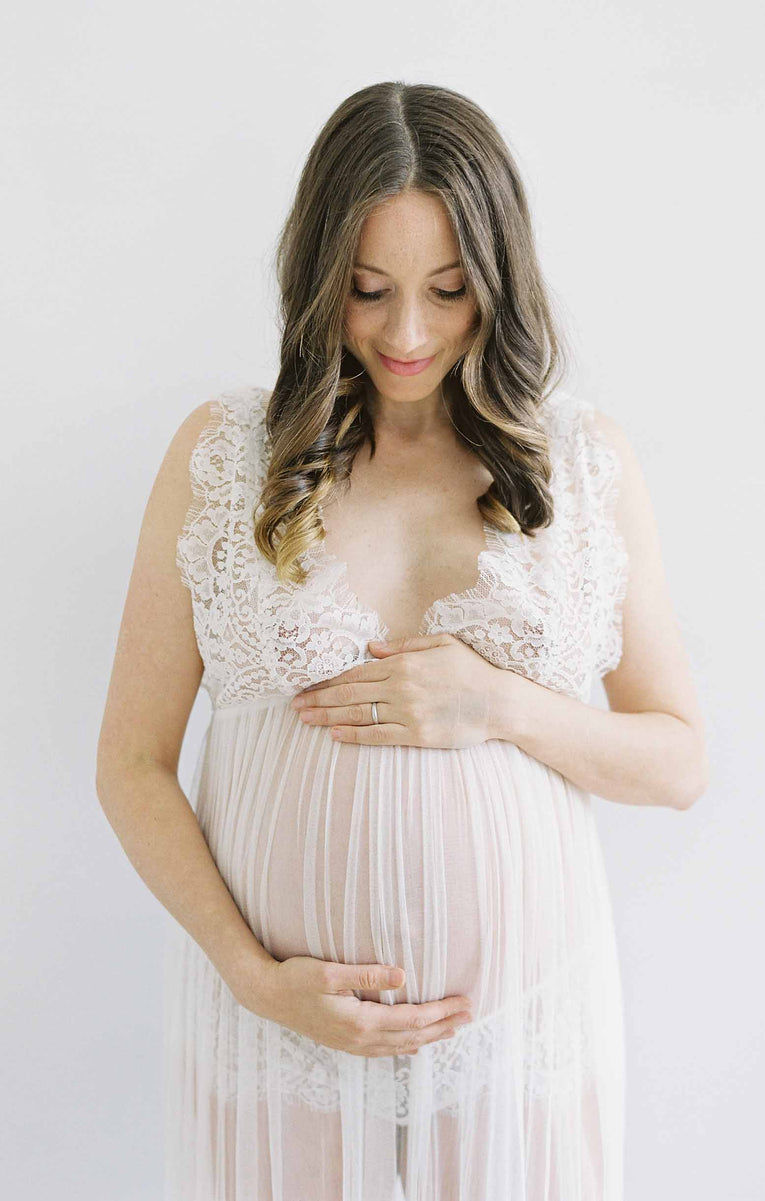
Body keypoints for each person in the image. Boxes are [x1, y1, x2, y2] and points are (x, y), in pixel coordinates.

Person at [96, 81, 708, 1201]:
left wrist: (504, 705)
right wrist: (253, 977)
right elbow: (131, 764)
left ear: (499, 279)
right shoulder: (225, 457)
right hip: (283, 1039)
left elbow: (677, 760)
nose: (407, 333)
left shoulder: (578, 463)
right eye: (367, 291)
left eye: (447, 290)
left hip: (516, 1035)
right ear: (318, 276)